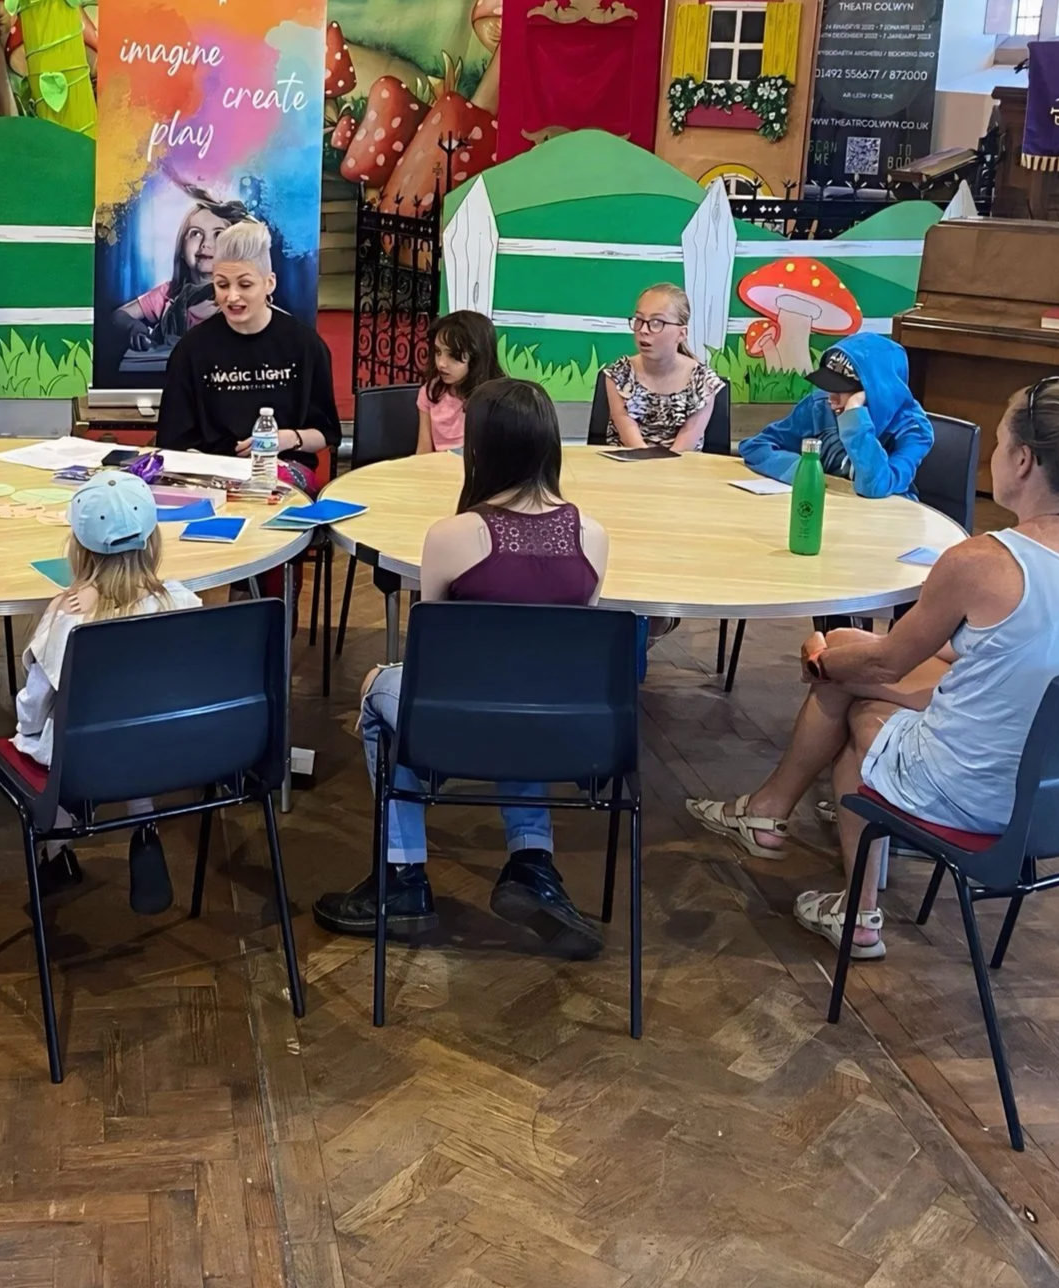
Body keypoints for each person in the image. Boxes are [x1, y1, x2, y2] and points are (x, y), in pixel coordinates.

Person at [689, 379, 1059, 961]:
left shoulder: (983, 562)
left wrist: (822, 660)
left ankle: (856, 908)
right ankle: (770, 812)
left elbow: (886, 662)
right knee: (853, 657)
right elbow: (1015, 649)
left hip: (978, 795)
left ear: (1022, 460)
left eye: (1000, 441)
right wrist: (844, 654)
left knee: (861, 708)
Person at [314, 378, 612, 946]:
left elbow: (433, 652)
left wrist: (382, 680)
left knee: (382, 688)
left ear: (479, 449)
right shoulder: (592, 537)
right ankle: (533, 862)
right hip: (559, 730)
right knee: (526, 692)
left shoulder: (451, 536)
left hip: (458, 724)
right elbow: (567, 653)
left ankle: (402, 874)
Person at [13, 470, 202, 914]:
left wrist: (25, 730)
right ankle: (145, 827)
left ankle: (58, 850)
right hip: (175, 751)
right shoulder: (185, 603)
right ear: (153, 539)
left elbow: (34, 707)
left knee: (47, 744)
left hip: (85, 763)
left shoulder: (67, 619)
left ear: (77, 549)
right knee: (135, 724)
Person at [154, 220, 341, 491]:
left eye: (244, 284)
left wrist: (288, 439)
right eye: (222, 285)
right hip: (212, 476)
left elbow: (326, 433)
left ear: (269, 283)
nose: (232, 297)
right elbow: (174, 443)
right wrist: (215, 473)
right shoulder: (191, 351)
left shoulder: (305, 346)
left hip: (283, 471)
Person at [740, 334, 934, 498]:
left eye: (841, 389)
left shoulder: (914, 431)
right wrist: (803, 471)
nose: (831, 398)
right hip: (830, 509)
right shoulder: (819, 407)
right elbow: (756, 446)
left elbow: (875, 486)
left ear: (875, 392)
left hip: (887, 520)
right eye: (829, 386)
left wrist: (854, 415)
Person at [112, 191, 248, 355]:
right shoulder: (168, 294)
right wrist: (132, 327)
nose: (206, 244)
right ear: (182, 248)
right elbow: (119, 315)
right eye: (196, 233)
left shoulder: (243, 297)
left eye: (219, 234)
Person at [603, 284, 723, 452]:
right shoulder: (619, 375)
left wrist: (663, 468)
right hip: (629, 464)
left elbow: (683, 449)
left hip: (682, 465)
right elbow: (633, 443)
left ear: (681, 334)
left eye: (656, 322)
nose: (643, 330)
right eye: (639, 320)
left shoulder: (703, 382)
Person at [416, 310, 504, 454]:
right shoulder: (429, 392)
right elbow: (423, 452)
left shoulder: (496, 401)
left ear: (476, 358)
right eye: (438, 352)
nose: (441, 363)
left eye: (452, 355)